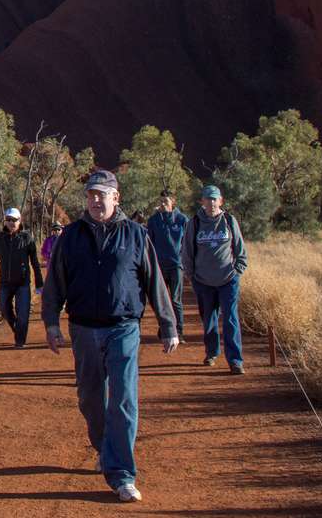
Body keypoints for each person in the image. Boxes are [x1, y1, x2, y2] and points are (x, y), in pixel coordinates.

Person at [41, 170, 178, 503]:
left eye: (102, 194)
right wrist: (51, 322)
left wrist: (168, 324)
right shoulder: (71, 236)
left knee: (123, 399)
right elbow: (55, 281)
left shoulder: (135, 234)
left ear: (117, 198)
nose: (96, 200)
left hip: (123, 327)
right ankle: (105, 446)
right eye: (91, 195)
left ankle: (121, 474)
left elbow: (153, 279)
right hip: (83, 327)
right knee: (90, 398)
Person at [181, 185, 247, 374]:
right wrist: (192, 276)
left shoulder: (229, 220)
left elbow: (239, 248)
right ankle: (211, 353)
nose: (211, 203)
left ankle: (235, 361)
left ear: (220, 201)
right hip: (203, 281)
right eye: (207, 199)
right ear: (202, 201)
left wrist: (237, 270)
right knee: (209, 319)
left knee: (231, 320)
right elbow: (187, 251)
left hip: (228, 279)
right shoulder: (194, 223)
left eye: (214, 199)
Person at [0, 207, 44, 347]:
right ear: (5, 221)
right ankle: (17, 330)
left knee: (23, 314)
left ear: (20, 221)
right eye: (9, 220)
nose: (12, 222)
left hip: (23, 283)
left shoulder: (27, 238)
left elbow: (35, 262)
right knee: (4, 309)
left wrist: (39, 282)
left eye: (15, 220)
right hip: (5, 282)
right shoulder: (0, 238)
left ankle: (20, 341)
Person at [145, 191, 189, 341]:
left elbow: (187, 242)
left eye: (166, 202)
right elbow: (149, 243)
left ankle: (179, 330)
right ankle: (164, 328)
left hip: (176, 265)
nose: (163, 204)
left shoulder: (182, 220)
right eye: (161, 201)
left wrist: (185, 261)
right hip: (159, 266)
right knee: (161, 299)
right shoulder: (153, 221)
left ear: (173, 203)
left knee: (176, 300)